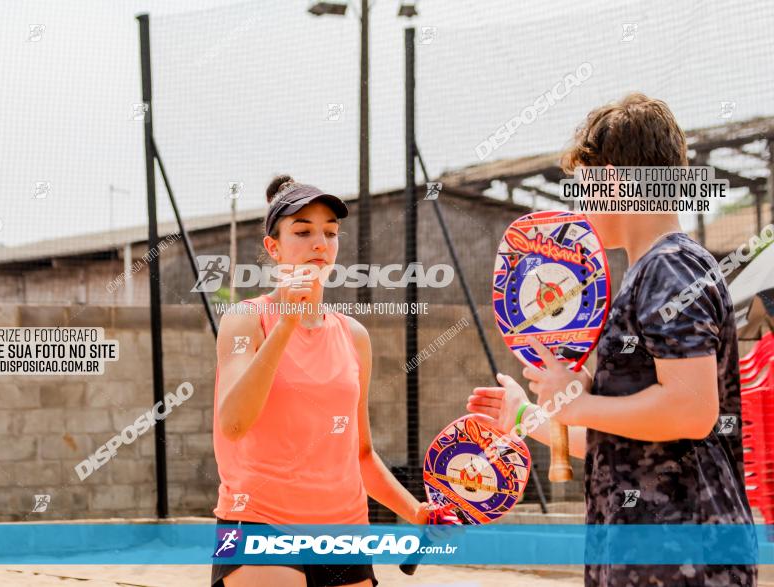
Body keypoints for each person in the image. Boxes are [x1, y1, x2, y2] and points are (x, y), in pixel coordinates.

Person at [467, 93, 757, 586]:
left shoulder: (670, 268)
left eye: (584, 187)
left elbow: (691, 410)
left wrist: (574, 406)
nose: (580, 204)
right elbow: (623, 436)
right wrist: (528, 417)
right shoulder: (652, 271)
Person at [211, 175, 432, 587]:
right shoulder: (245, 319)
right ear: (272, 247)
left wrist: (415, 510)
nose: (320, 243)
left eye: (330, 233)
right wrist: (286, 324)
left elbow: (361, 455)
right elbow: (234, 422)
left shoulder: (354, 336)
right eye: (303, 231)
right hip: (259, 526)